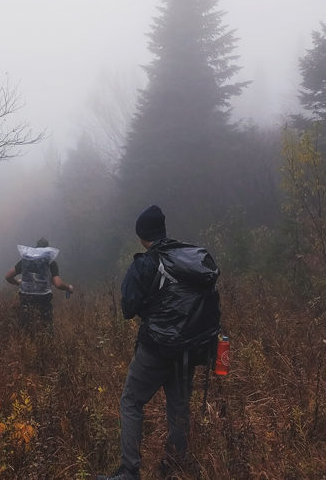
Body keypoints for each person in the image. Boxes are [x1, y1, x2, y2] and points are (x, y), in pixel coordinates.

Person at [98, 205, 221, 480]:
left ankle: (129, 470)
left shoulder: (145, 263)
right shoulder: (189, 258)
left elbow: (128, 308)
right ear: (163, 231)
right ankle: (174, 466)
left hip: (155, 348)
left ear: (141, 235)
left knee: (131, 401)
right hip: (190, 348)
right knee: (178, 406)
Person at [4, 237, 75, 328]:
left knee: (25, 328)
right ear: (48, 249)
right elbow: (58, 284)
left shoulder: (25, 260)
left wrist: (18, 282)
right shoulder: (51, 262)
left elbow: (8, 277)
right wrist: (68, 288)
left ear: (36, 248)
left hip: (26, 297)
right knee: (46, 329)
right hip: (43, 299)